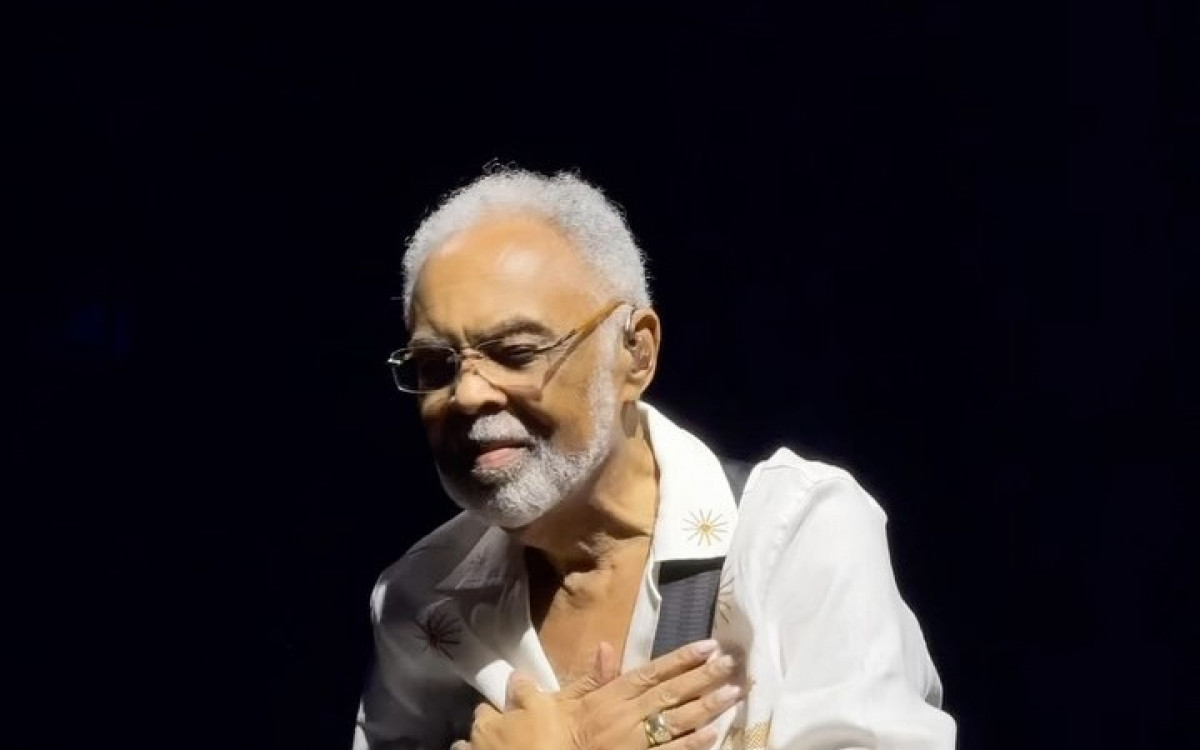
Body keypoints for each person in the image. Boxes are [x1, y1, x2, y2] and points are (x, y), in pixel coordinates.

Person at [353, 167, 956, 750]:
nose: (467, 395)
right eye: (434, 366)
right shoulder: (418, 600)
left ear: (635, 354)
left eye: (516, 351)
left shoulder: (794, 534)